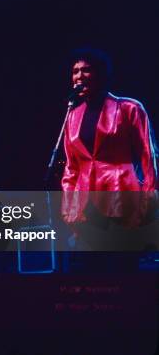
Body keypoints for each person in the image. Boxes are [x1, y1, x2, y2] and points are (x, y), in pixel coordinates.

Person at [61, 48, 157, 230]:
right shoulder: (72, 116)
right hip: (86, 208)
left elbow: (149, 157)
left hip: (121, 199)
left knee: (121, 256)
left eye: (86, 70)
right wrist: (68, 206)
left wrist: (149, 200)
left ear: (100, 74)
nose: (79, 76)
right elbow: (71, 167)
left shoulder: (129, 108)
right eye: (75, 72)